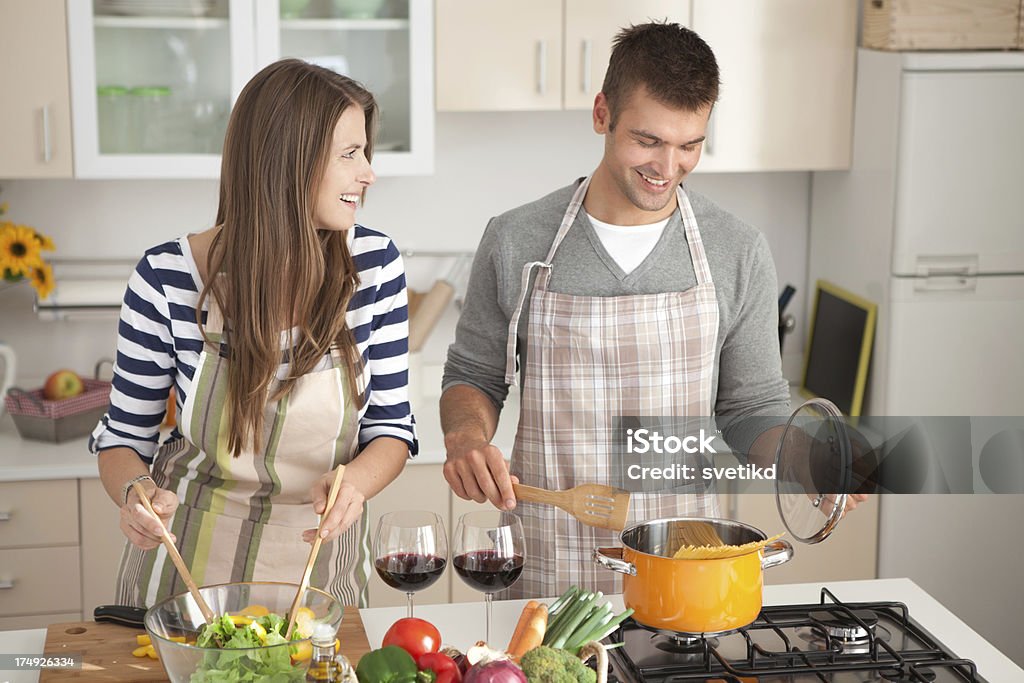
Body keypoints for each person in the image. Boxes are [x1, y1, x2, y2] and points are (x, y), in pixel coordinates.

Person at [440, 22, 865, 599]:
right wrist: (466, 438)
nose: (668, 166)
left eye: (690, 144)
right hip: (544, 559)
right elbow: (474, 376)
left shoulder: (735, 250)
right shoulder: (517, 239)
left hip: (683, 567)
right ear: (601, 114)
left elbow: (749, 409)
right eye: (648, 140)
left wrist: (803, 457)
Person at [90, 59, 417, 609]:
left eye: (365, 152)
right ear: (287, 162)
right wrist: (135, 493)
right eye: (349, 154)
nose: (368, 173)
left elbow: (390, 428)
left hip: (317, 569)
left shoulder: (374, 265)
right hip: (187, 577)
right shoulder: (166, 277)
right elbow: (123, 438)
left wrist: (355, 484)